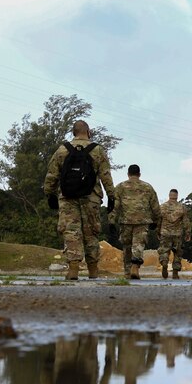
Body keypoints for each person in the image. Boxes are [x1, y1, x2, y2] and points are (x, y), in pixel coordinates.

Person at [42, 120, 117, 280]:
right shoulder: (97, 150)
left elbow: (52, 175)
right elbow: (106, 175)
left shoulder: (62, 150)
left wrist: (50, 194)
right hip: (91, 198)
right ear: (88, 132)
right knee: (91, 232)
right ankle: (93, 270)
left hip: (68, 197)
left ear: (73, 132)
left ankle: (73, 269)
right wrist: (111, 196)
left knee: (71, 231)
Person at [111, 164, 160, 280]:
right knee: (138, 245)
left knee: (127, 246)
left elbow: (115, 206)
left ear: (128, 174)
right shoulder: (148, 187)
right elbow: (155, 206)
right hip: (142, 221)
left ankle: (127, 271)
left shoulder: (120, 187)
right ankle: (135, 266)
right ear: (139, 174)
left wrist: (111, 221)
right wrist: (156, 220)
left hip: (125, 221)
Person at [157, 189, 191, 279]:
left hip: (165, 233)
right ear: (177, 196)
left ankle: (164, 263)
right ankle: (175, 272)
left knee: (164, 250)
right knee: (178, 253)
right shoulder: (182, 207)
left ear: (169, 195)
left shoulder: (162, 207)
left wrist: (158, 231)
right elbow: (186, 222)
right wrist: (188, 233)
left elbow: (159, 221)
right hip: (178, 234)